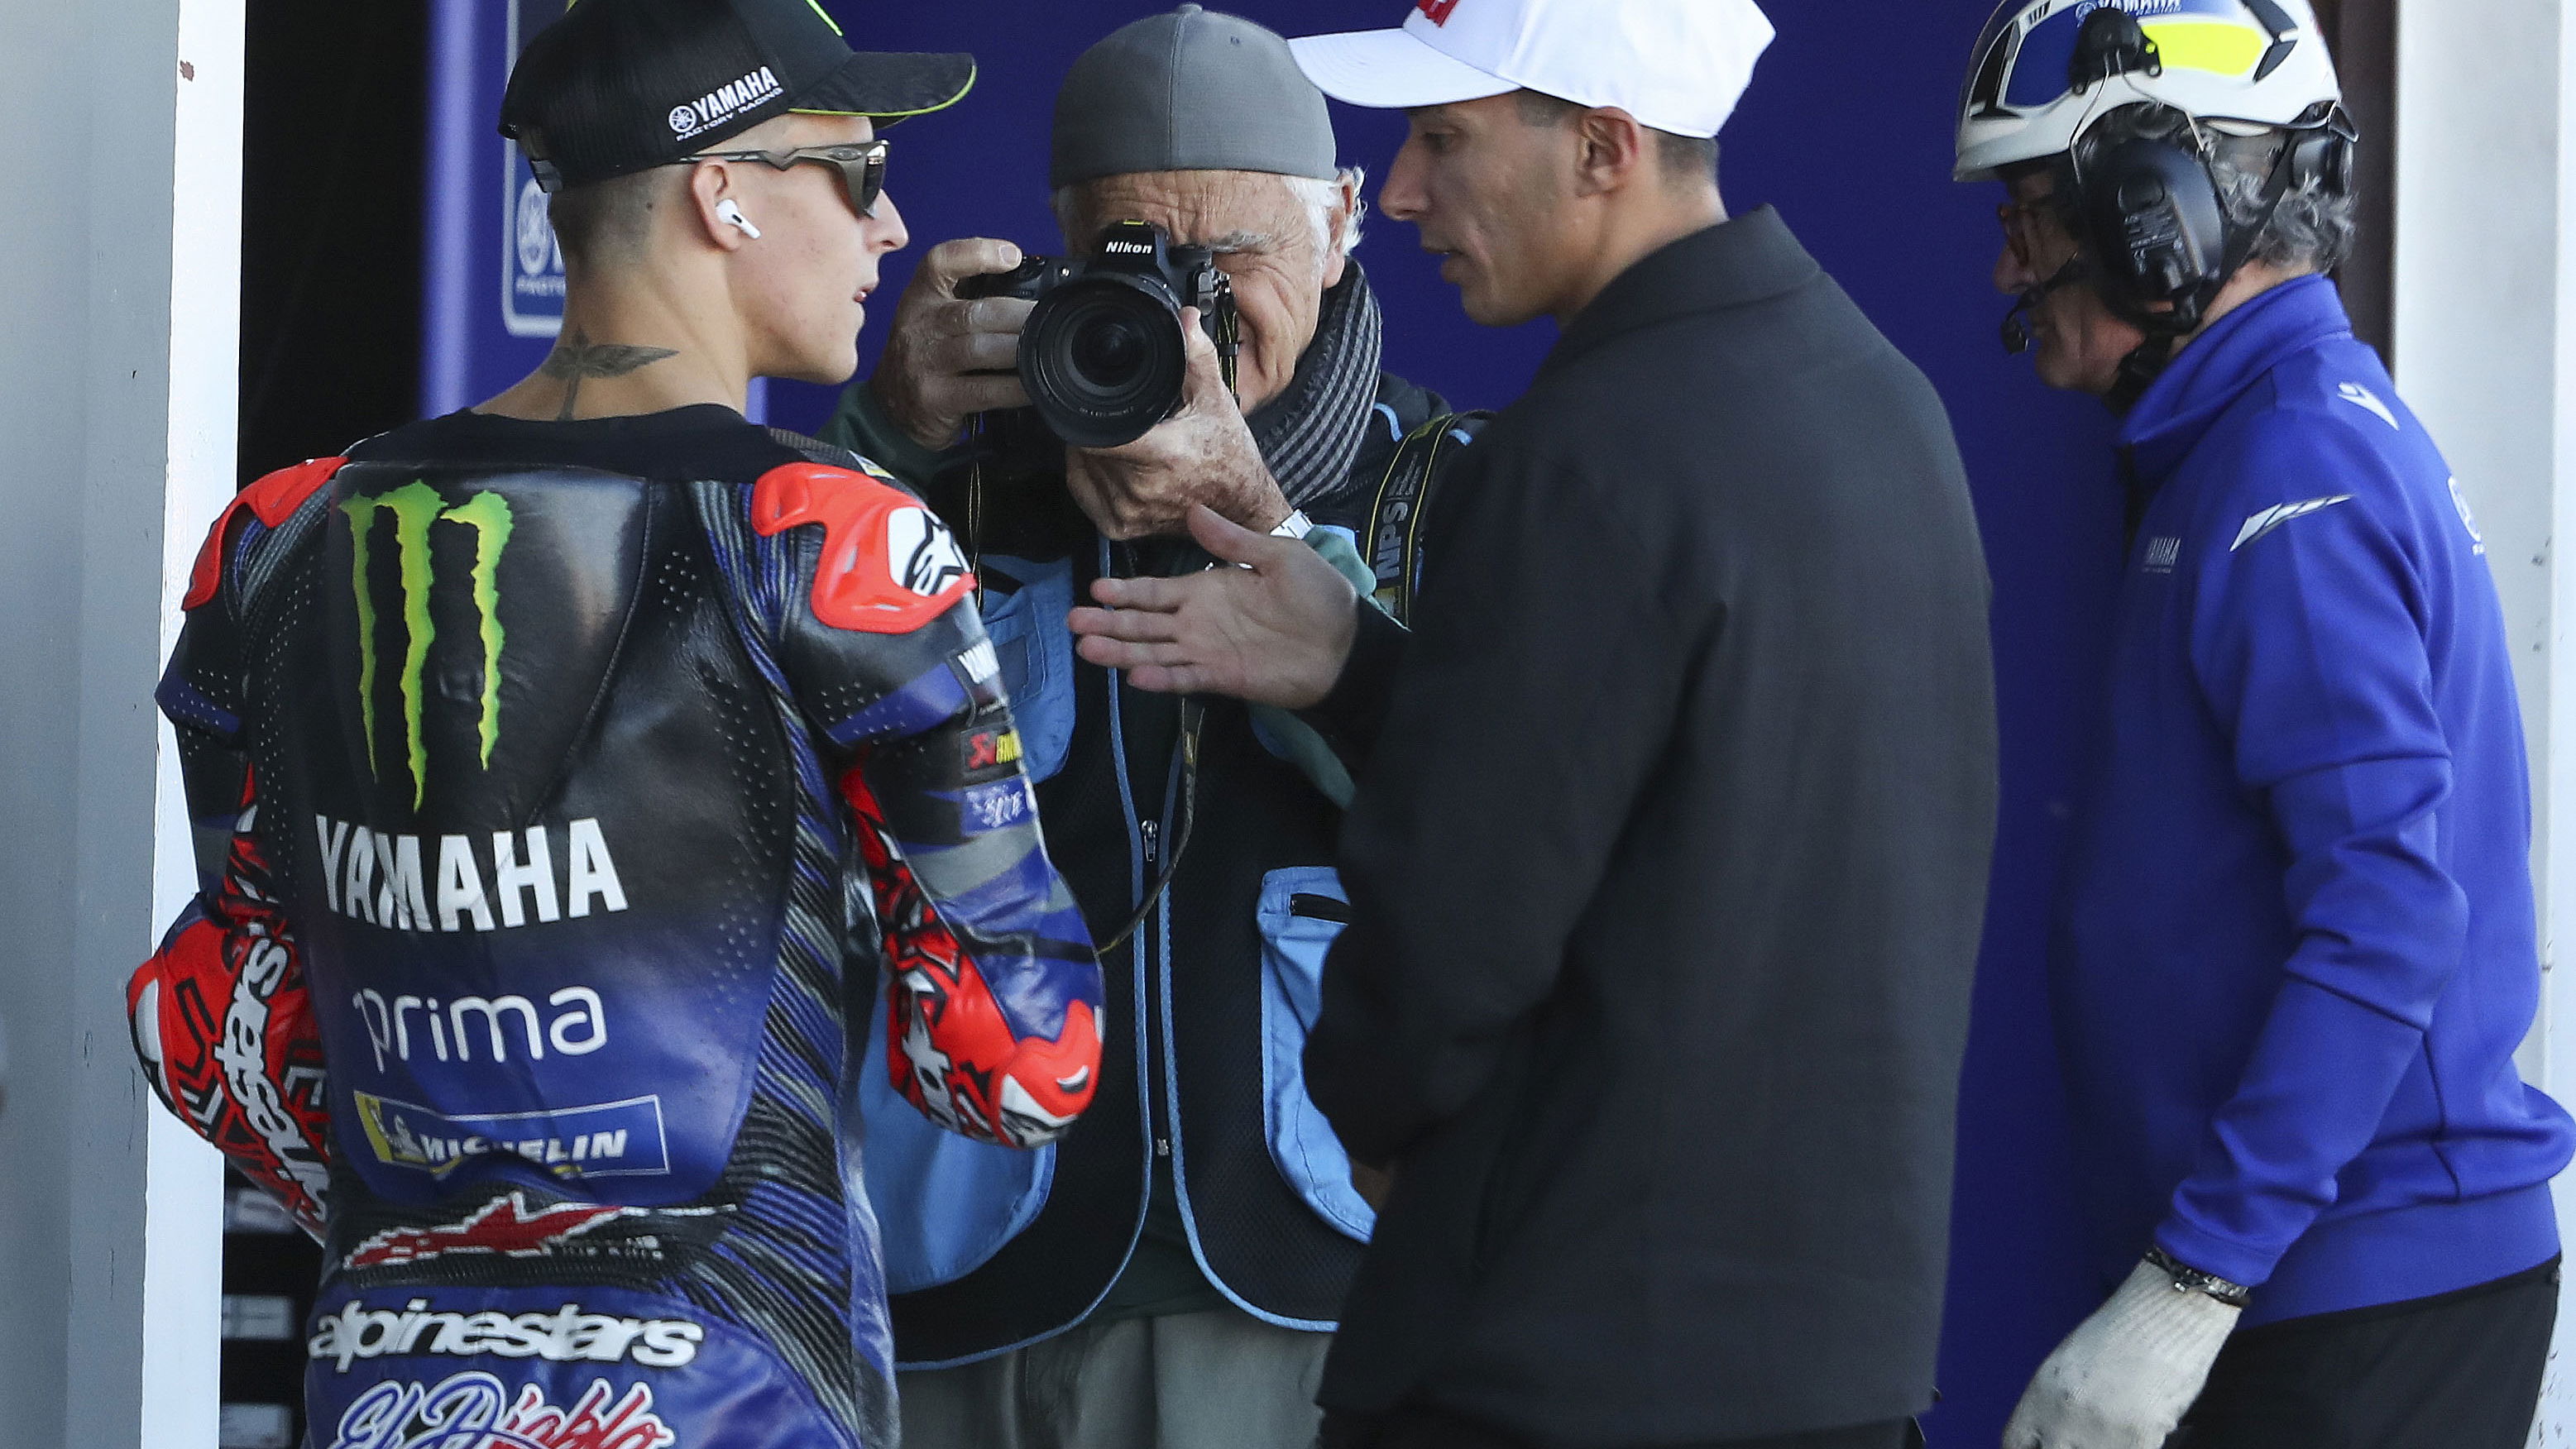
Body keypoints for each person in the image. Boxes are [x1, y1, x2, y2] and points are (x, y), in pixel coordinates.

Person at [120, 2, 1102, 1446]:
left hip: (396, 1393)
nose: (890, 229)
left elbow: (212, 1033)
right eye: (860, 171)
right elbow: (1021, 1060)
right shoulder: (826, 541)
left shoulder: (277, 536)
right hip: (732, 1398)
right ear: (724, 192)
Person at [1079, 2, 1999, 1445]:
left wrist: (1379, 1116)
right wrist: (1364, 670)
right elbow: (1697, 831)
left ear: (1603, 148)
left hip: (1553, 1360)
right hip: (1834, 1362)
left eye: (1443, 139)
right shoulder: (1884, 408)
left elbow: (1458, 929)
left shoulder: (1588, 449)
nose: (1398, 190)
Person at [814, 9, 1471, 1448]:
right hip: (972, 1269)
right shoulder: (950, 501)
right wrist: (886, 438)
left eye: (1230, 260)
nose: (1188, 316)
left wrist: (1279, 545)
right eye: (1139, 262)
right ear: (1057, 250)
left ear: (1343, 224)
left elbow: (1504, 838)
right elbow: (734, 742)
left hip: (1313, 1280)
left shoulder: (1447, 491)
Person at [1954, 3, 2575, 1446]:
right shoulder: (2261, 439)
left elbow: (2385, 912)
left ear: (2156, 216)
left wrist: (2189, 1282)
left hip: (2346, 1287)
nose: (2007, 266)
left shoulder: (2291, 469)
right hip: (2315, 1276)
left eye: (2033, 214)